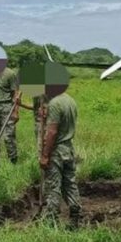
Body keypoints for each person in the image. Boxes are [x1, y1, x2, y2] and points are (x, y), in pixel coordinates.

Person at [40, 92, 81, 228]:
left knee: (53, 185)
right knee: (70, 182)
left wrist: (45, 155)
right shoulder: (70, 101)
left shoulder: (54, 104)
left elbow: (52, 132)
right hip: (68, 148)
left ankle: (51, 221)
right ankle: (75, 215)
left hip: (56, 150)